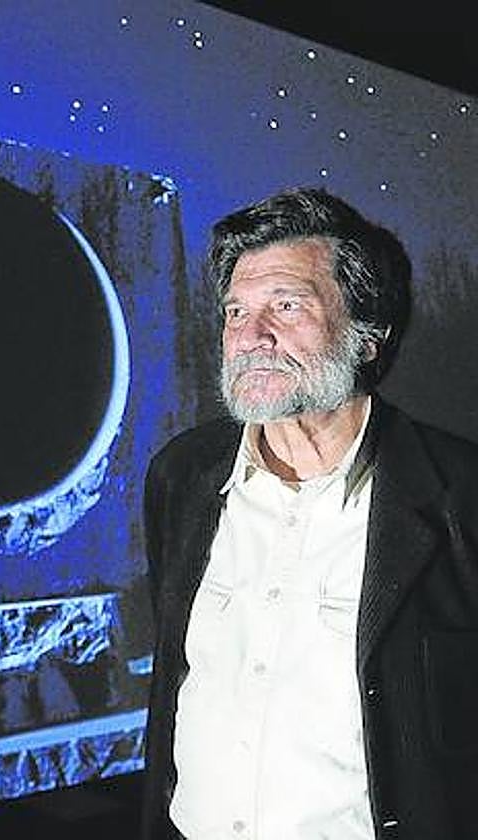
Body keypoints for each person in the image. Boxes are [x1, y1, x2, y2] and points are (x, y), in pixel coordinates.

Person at [140, 187, 478, 840]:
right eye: (236, 310)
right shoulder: (181, 477)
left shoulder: (460, 500)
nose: (248, 336)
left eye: (285, 305)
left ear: (369, 334)